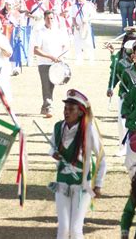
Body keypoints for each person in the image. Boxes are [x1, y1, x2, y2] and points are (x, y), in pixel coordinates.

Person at [49, 89, 106, 239]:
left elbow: (101, 157)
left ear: (80, 112)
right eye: (65, 109)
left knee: (75, 229)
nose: (66, 112)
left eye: (71, 109)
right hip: (62, 183)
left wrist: (98, 184)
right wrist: (53, 153)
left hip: (82, 185)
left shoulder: (88, 130)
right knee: (63, 228)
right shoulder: (58, 127)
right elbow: (52, 147)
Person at [33, 10, 68, 118]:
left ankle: (45, 106)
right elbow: (36, 50)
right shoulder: (40, 32)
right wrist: (50, 57)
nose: (50, 20)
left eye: (52, 18)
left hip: (56, 64)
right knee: (46, 85)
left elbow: (63, 46)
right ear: (44, 19)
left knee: (51, 85)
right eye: (48, 18)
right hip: (44, 63)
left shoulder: (58, 31)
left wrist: (60, 56)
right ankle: (49, 107)